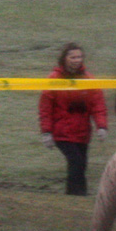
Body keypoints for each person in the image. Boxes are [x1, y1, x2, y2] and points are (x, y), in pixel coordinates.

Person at [39, 42, 108, 196]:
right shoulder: (54, 79)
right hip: (62, 133)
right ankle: (76, 195)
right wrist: (46, 132)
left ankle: (77, 197)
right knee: (76, 162)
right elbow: (45, 109)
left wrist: (102, 126)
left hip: (82, 133)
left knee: (81, 165)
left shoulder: (88, 79)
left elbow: (98, 104)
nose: (77, 60)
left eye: (79, 57)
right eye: (73, 57)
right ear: (64, 58)